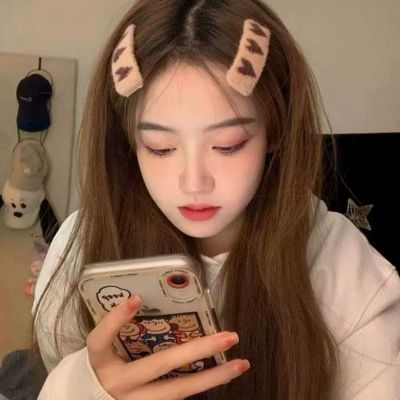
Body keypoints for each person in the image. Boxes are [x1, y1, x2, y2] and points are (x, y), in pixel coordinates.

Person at [30, 0, 400, 399]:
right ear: (128, 142)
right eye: (159, 147)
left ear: (274, 131)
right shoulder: (81, 246)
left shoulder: (345, 272)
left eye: (227, 145)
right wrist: (84, 387)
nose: (194, 183)